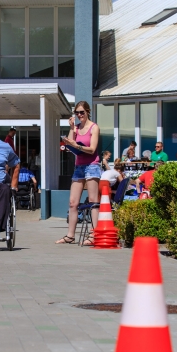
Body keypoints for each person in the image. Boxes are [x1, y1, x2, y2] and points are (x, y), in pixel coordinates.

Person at [56, 100, 100, 246]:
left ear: (88, 112)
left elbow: (92, 149)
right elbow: (69, 143)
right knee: (73, 202)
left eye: (82, 112)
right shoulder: (76, 128)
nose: (79, 115)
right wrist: (71, 128)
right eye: (77, 113)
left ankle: (94, 235)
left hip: (92, 166)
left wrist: (78, 147)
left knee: (93, 201)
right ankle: (70, 235)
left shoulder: (94, 127)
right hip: (79, 166)